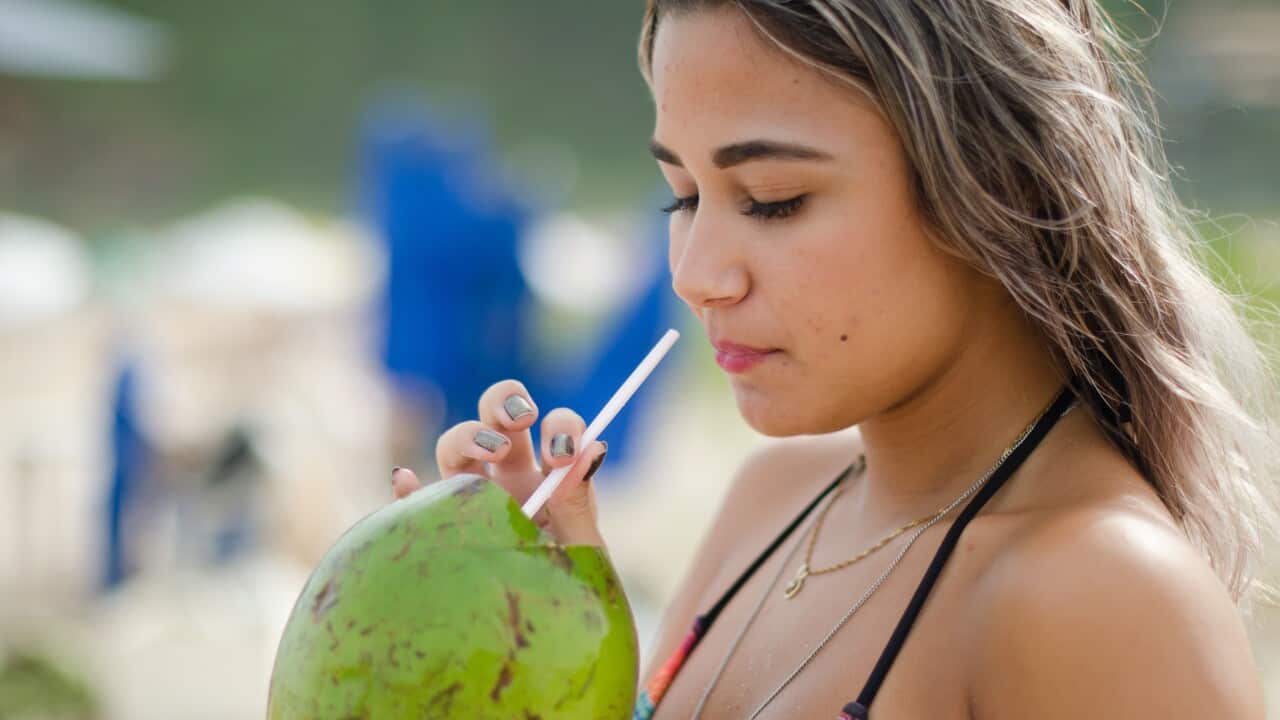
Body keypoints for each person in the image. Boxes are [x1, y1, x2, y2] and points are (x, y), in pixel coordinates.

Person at [391, 1, 1279, 716]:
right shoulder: (771, 500)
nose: (697, 276)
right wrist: (529, 638)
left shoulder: (1099, 595)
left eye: (773, 200)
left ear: (998, 185)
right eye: (683, 198)